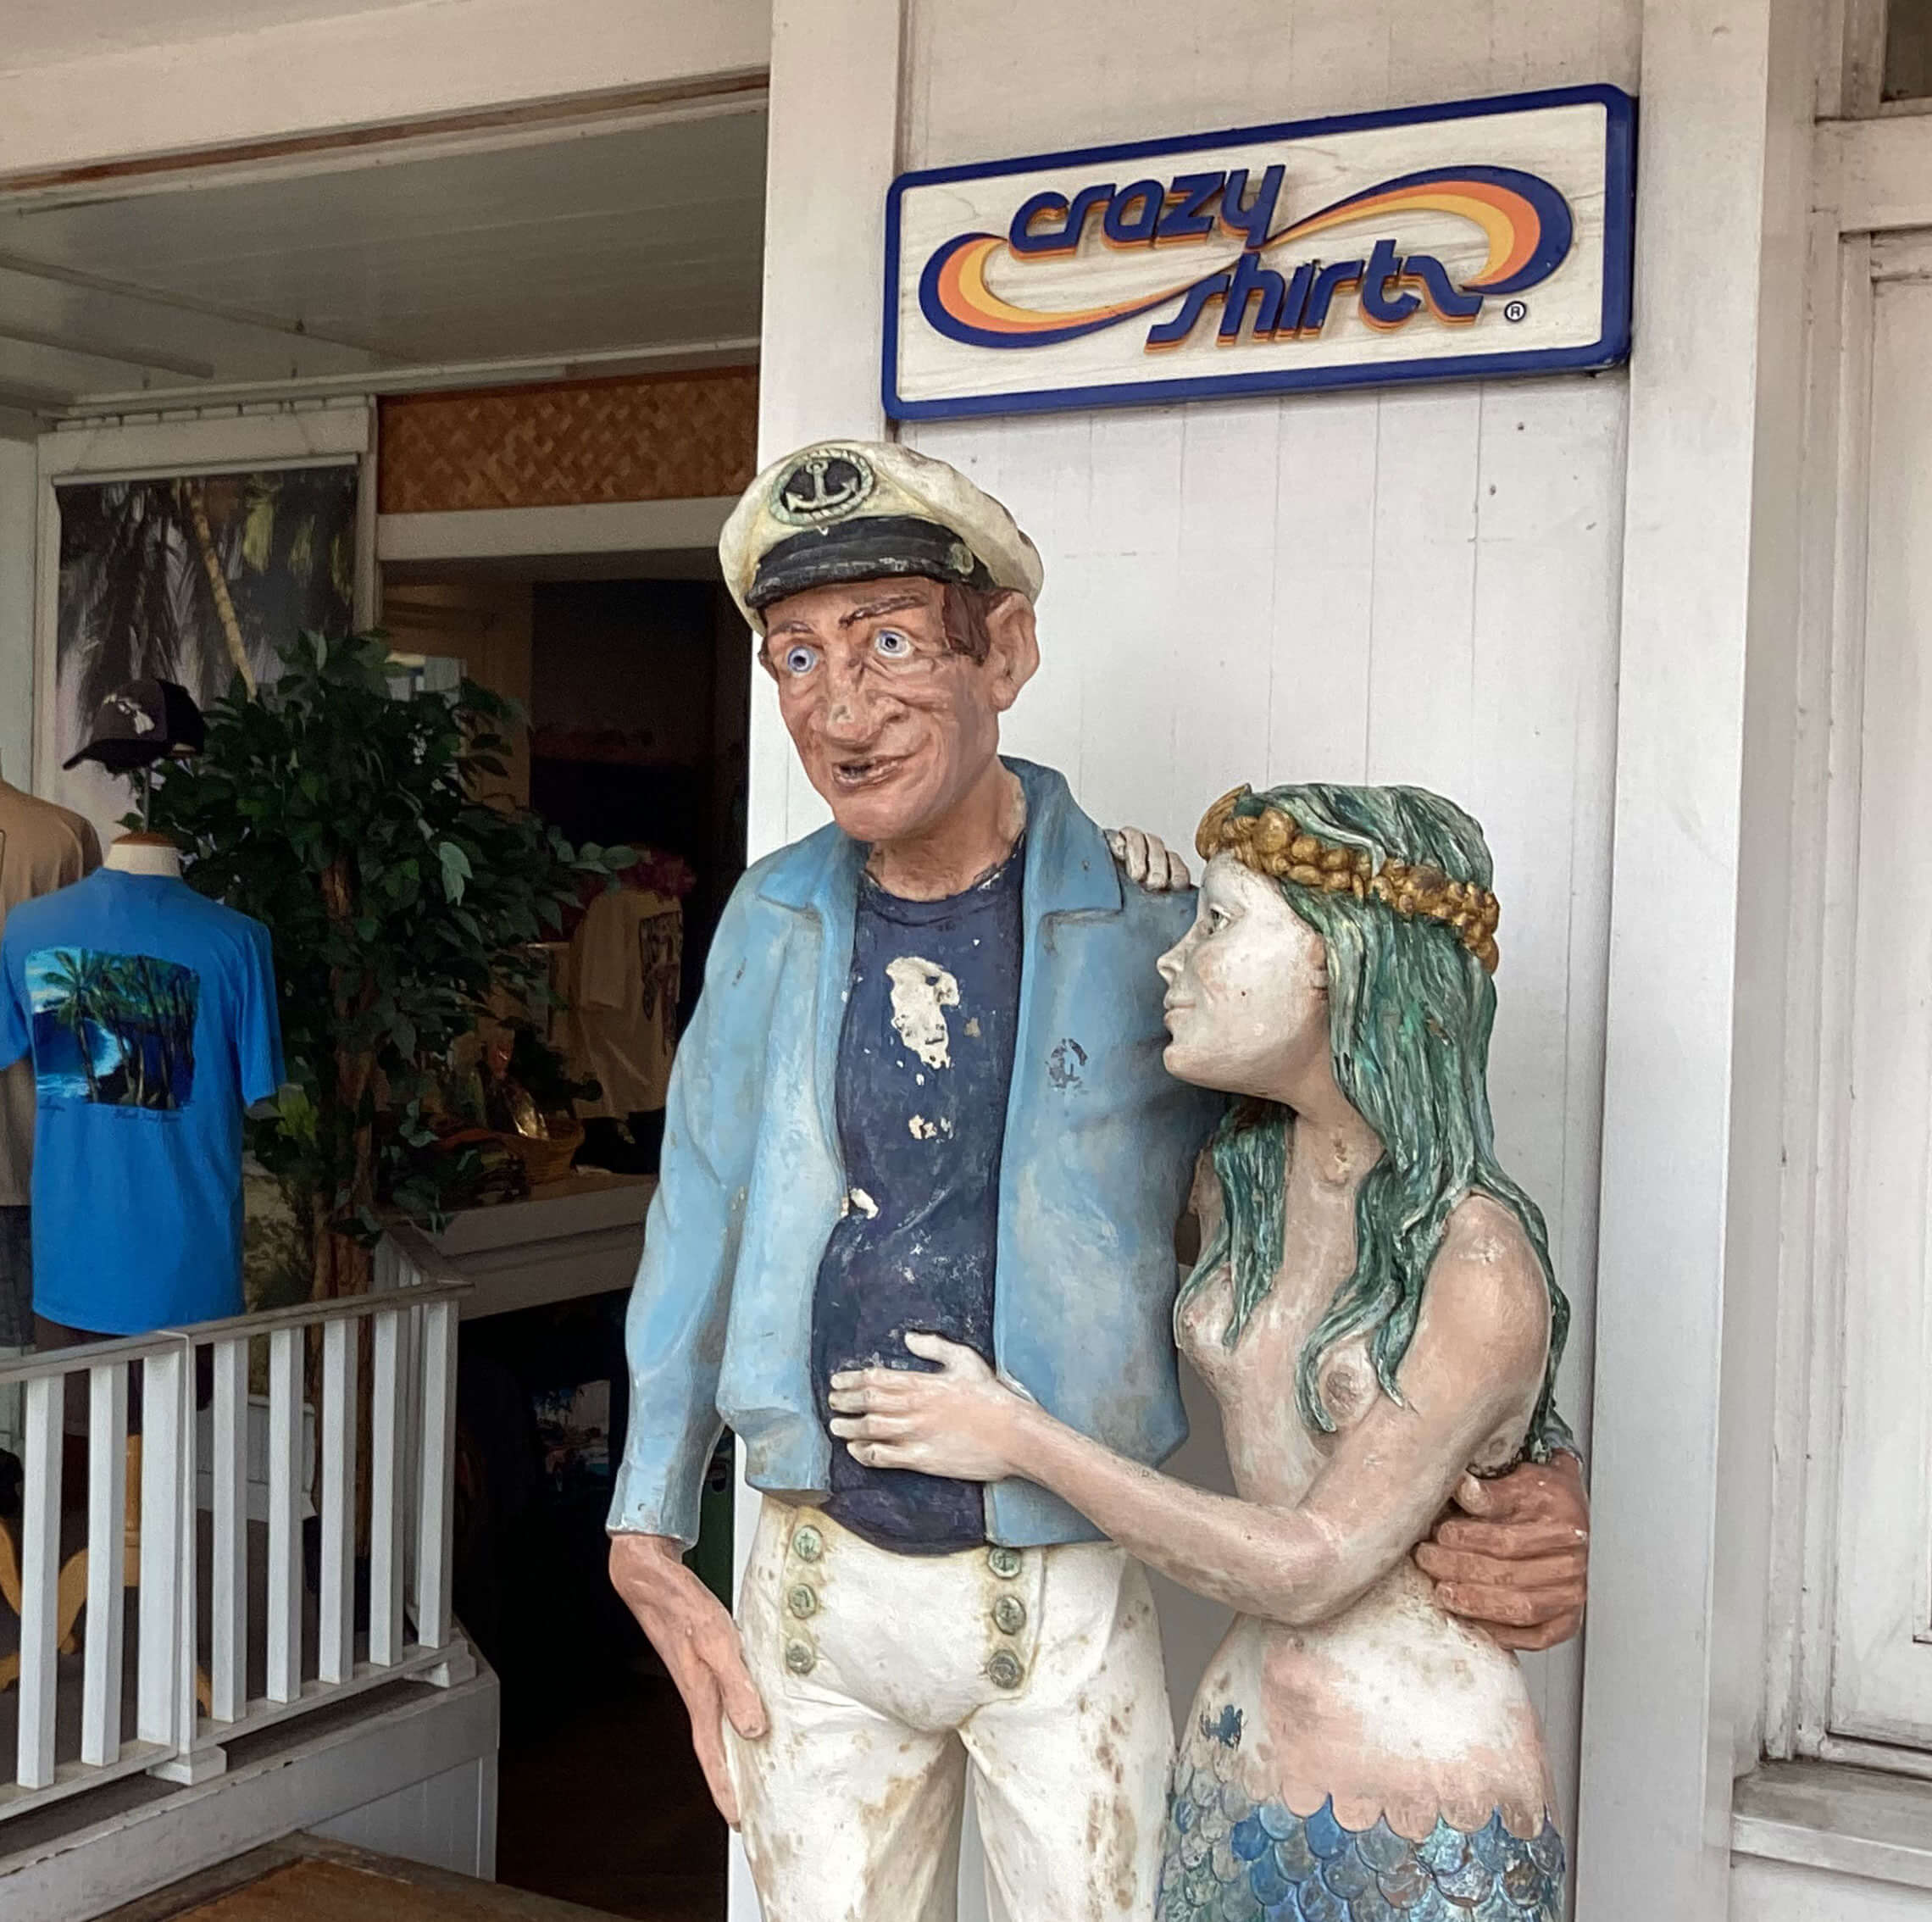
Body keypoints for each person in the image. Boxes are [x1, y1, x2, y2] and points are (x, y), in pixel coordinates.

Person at [606, 441, 1591, 1922]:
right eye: (795, 657)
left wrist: (1524, 1470)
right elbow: (697, 1208)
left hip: (1051, 1600)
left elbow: (1352, 1182)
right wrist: (646, 1525)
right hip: (814, 1583)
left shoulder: (1162, 935)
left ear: (1004, 652)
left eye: (886, 641)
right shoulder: (770, 916)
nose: (839, 708)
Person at [830, 782, 1572, 1919]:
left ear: (1345, 961)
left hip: (1417, 1793)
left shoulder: (1473, 1263)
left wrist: (1016, 1436)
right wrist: (1106, 879)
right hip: (1239, 1752)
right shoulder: (1242, 1185)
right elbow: (1051, 1159)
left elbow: (1314, 1564)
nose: (1175, 961)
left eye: (1218, 923)